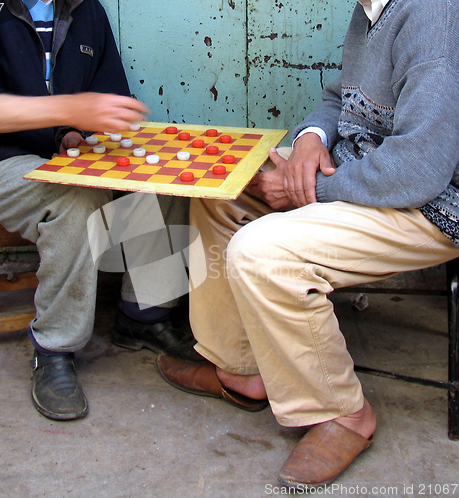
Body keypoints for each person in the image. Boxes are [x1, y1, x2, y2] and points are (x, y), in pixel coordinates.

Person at [156, 0, 459, 489]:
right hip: (364, 174)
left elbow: (420, 171)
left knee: (263, 252)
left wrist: (308, 189)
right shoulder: (372, 10)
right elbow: (341, 98)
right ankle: (243, 370)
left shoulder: (435, 20)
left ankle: (343, 415)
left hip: (429, 207)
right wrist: (310, 140)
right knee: (222, 191)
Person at [0, 0, 200, 422]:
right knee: (75, 196)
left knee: (169, 174)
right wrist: (69, 111)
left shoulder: (85, 9)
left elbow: (110, 96)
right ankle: (54, 348)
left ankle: (144, 317)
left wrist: (73, 132)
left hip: (53, 151)